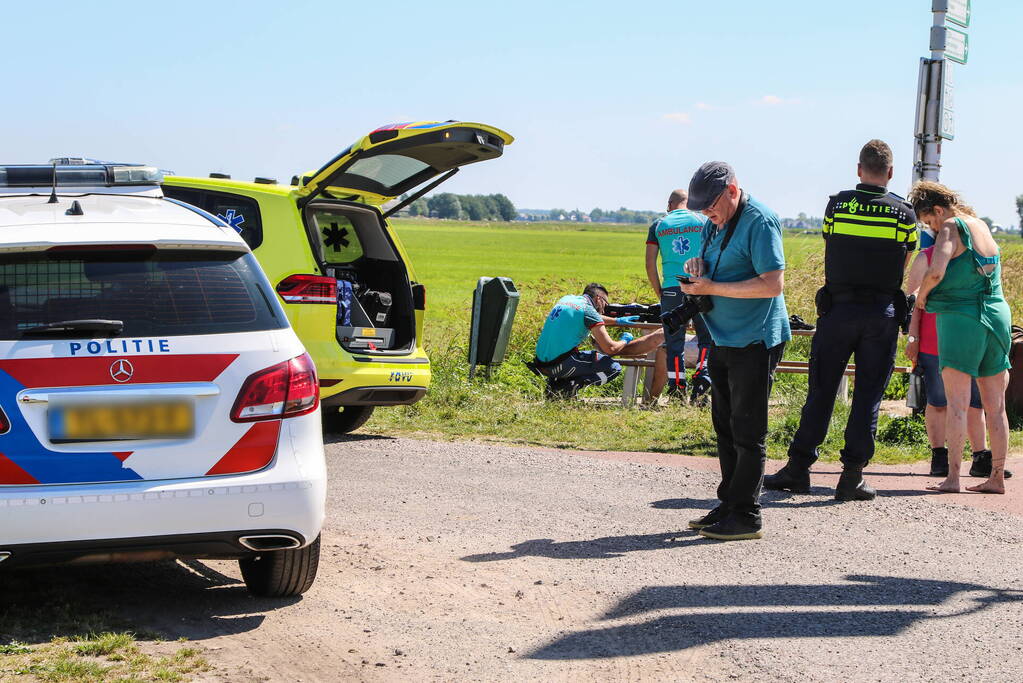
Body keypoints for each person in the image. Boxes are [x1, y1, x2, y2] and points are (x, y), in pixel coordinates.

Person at [764, 140, 916, 501]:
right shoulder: (904, 213)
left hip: (838, 311)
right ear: (890, 173)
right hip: (881, 315)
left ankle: (798, 468)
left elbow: (832, 242)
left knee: (821, 390)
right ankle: (851, 476)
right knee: (868, 396)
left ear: (859, 169)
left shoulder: (838, 205)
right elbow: (905, 260)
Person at [679, 162, 791, 541]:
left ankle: (747, 514)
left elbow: (772, 285)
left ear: (732, 190)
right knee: (724, 426)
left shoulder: (760, 221)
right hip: (723, 336)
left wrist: (710, 287)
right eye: (701, 209)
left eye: (711, 206)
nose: (708, 215)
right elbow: (715, 263)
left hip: (755, 339)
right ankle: (729, 503)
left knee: (747, 429)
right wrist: (699, 267)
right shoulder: (713, 223)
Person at [909, 181, 1013, 495]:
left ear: (938, 210)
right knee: (996, 407)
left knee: (957, 404)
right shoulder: (981, 225)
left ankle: (952, 478)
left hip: (961, 318)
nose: (932, 228)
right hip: (996, 316)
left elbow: (937, 270)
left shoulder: (951, 227)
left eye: (929, 221)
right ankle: (995, 477)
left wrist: (922, 297)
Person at [532, 283, 664, 399]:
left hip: (541, 364)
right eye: (606, 304)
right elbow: (610, 349)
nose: (605, 309)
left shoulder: (568, 299)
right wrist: (625, 340)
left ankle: (554, 387)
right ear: (598, 299)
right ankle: (568, 387)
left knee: (577, 355)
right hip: (560, 364)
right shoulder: (588, 310)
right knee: (613, 368)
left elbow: (593, 316)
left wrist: (616, 321)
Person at [645, 188, 712, 404]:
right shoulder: (702, 221)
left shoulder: (658, 225)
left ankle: (677, 391)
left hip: (671, 288)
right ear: (688, 202)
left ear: (670, 204)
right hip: (699, 285)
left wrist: (661, 292)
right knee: (706, 338)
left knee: (674, 343)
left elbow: (649, 264)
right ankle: (701, 383)